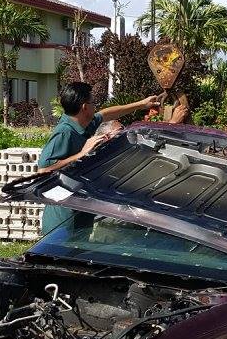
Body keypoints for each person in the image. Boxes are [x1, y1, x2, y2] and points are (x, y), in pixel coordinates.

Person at [36, 82, 160, 233]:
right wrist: (82, 153)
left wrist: (141, 104)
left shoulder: (84, 124)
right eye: (93, 102)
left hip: (80, 210)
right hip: (63, 220)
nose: (96, 107)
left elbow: (107, 114)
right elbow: (42, 170)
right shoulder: (65, 132)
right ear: (84, 107)